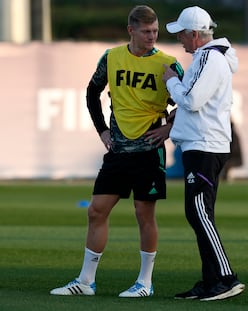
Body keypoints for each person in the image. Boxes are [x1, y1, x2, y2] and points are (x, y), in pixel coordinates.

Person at [50, 5, 183, 298]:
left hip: (149, 152)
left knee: (143, 213)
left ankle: (145, 283)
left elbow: (188, 102)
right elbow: (91, 92)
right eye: (146, 31)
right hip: (118, 152)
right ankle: (86, 281)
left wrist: (169, 129)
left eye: (155, 31)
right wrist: (102, 130)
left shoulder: (167, 63)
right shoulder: (111, 58)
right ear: (131, 30)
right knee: (97, 211)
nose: (152, 36)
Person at [162, 6, 245, 301]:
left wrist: (170, 79)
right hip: (201, 145)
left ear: (195, 35)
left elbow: (192, 100)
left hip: (205, 146)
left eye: (182, 34)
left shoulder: (210, 58)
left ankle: (226, 278)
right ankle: (211, 281)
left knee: (199, 214)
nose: (180, 40)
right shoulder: (208, 57)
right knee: (199, 213)